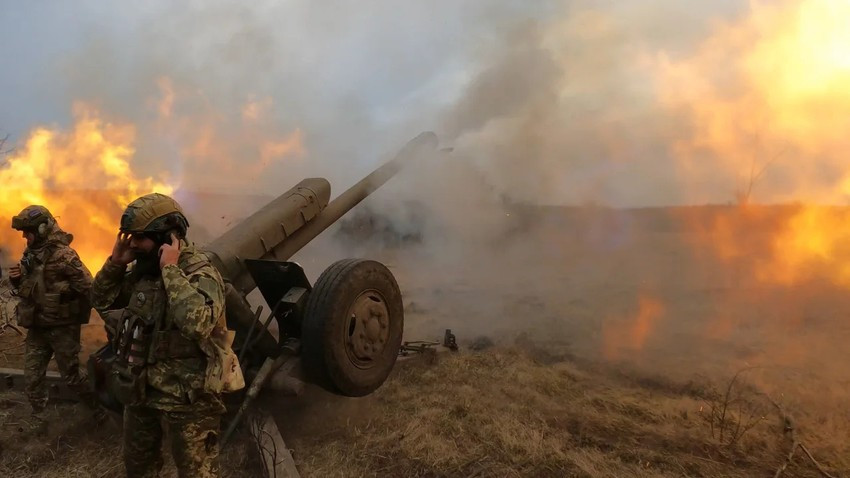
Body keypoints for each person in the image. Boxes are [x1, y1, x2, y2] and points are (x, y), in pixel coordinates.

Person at [91, 193, 243, 478]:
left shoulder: (200, 272)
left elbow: (196, 324)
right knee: (139, 468)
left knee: (197, 472)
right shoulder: (143, 273)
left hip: (188, 394)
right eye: (129, 237)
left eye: (139, 238)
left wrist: (170, 270)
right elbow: (101, 300)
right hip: (140, 387)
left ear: (167, 238)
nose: (133, 244)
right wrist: (115, 264)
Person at [8, 205, 93, 432]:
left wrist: (63, 291)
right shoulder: (31, 253)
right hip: (38, 327)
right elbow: (30, 287)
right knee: (32, 378)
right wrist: (17, 280)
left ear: (43, 228)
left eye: (28, 231)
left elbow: (88, 287)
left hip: (62, 328)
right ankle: (39, 421)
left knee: (73, 377)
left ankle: (100, 411)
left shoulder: (64, 255)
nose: (25, 236)